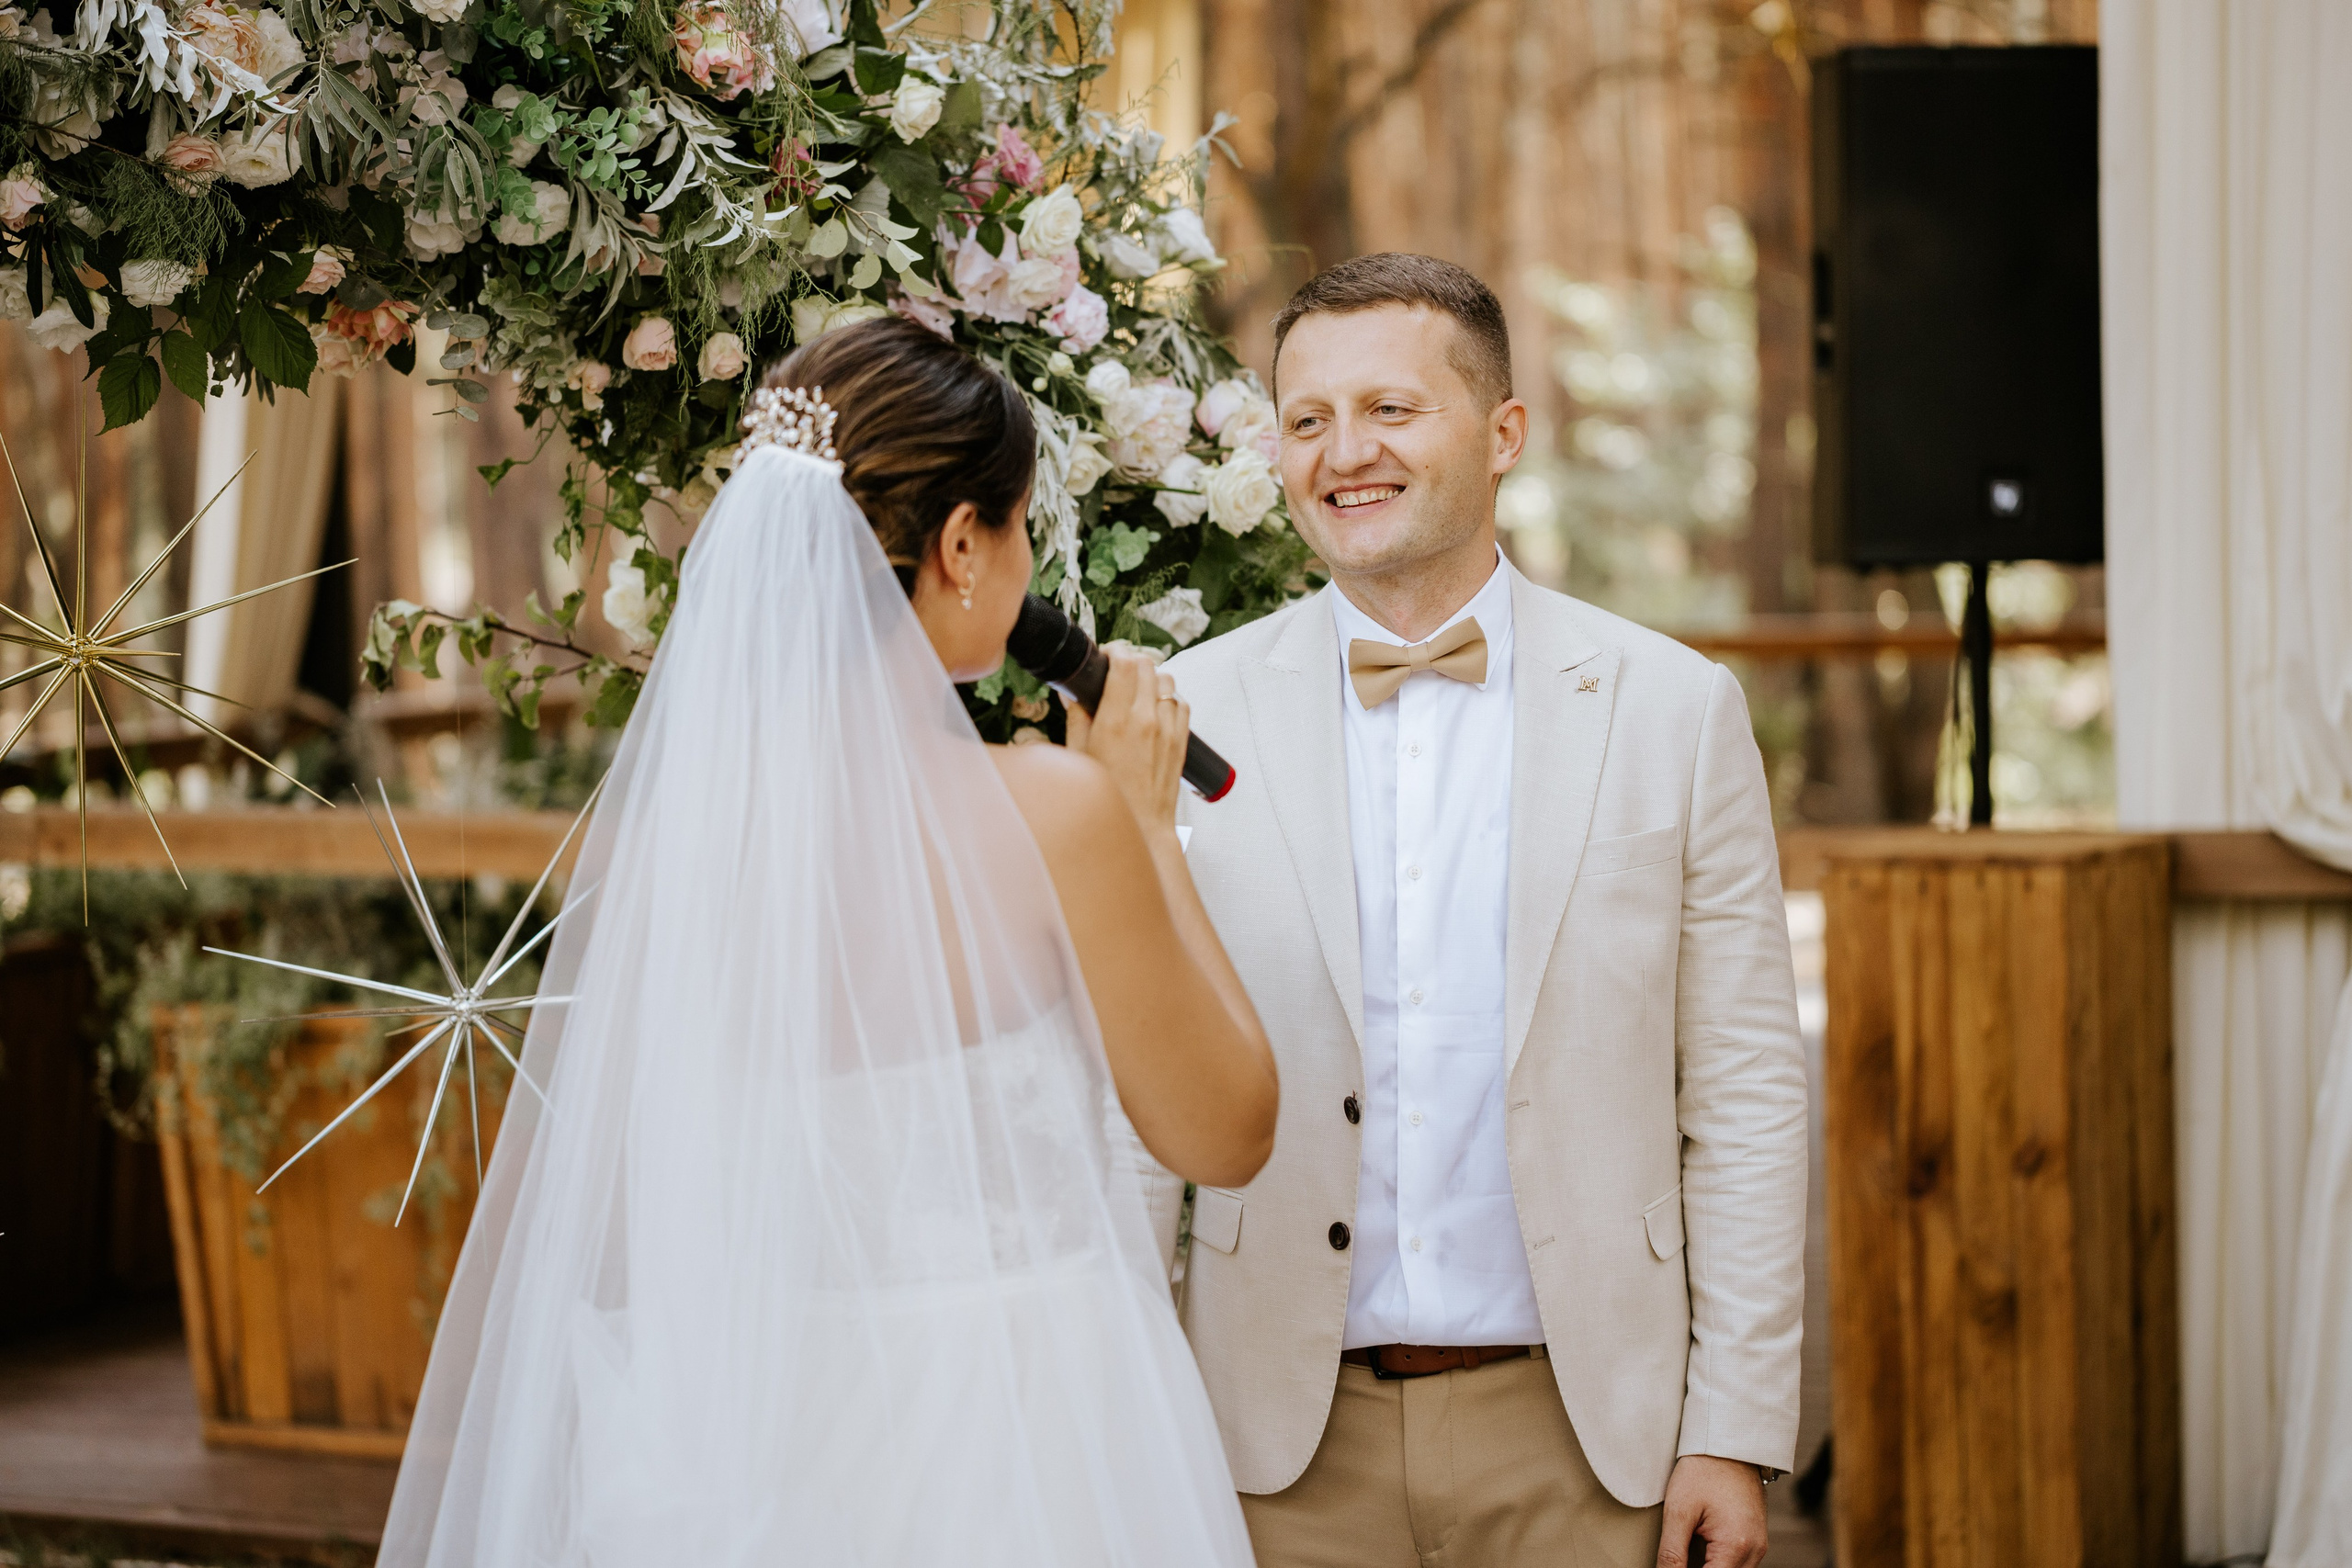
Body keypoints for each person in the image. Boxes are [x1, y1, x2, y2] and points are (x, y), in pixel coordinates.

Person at [379, 315, 1277, 1566]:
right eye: (1018, 528)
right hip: (1028, 1443)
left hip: (760, 1443)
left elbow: (627, 1228)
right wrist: (1141, 819)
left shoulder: (685, 849)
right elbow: (1226, 1130)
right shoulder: (1053, 815)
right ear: (962, 545)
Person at [1159, 254, 1808, 1568]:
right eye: (1307, 420)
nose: (1347, 453)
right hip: (1265, 1447)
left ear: (1504, 433)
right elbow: (1130, 1101)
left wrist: (1728, 1430)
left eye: (1392, 410)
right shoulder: (1180, 710)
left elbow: (1744, 1095)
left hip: (1586, 1443)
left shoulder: (1673, 712)